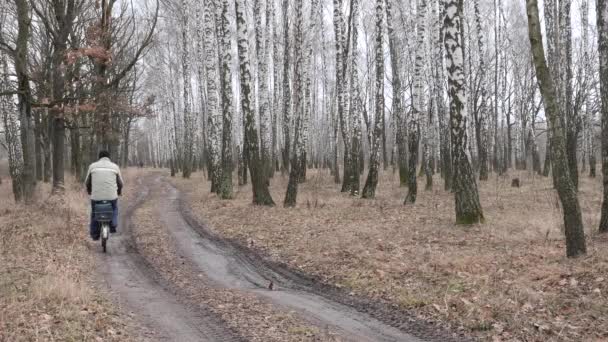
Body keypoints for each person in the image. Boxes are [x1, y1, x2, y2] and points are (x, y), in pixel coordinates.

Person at [84, 150, 124, 240]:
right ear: (109, 158)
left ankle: (95, 234)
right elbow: (121, 183)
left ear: (99, 157)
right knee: (114, 208)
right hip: (111, 196)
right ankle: (113, 224)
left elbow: (87, 182)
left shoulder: (92, 166)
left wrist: (89, 191)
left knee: (94, 213)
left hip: (96, 197)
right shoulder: (115, 167)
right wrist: (119, 191)